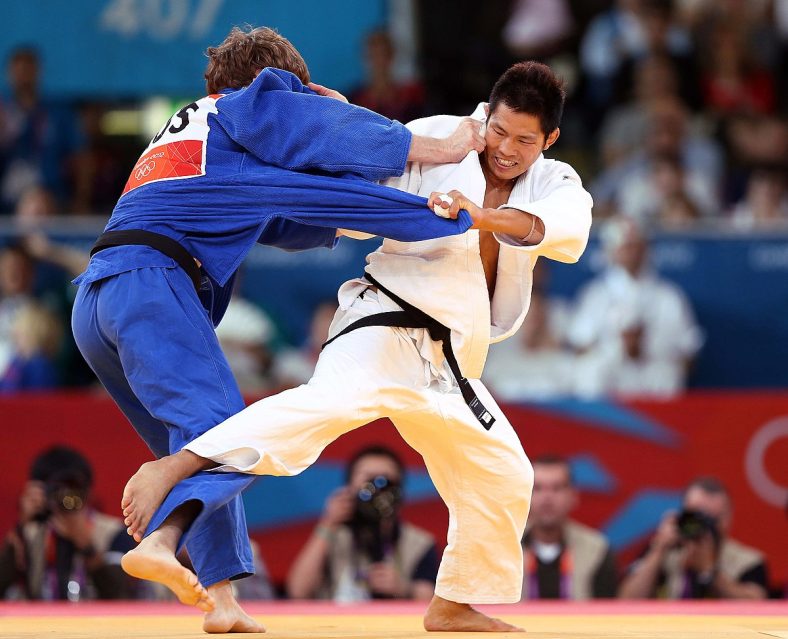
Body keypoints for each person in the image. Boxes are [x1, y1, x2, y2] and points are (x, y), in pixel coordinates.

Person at [120, 60, 593, 632]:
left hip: (449, 363)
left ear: (549, 139)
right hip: (384, 323)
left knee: (503, 471)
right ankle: (178, 464)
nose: (506, 149)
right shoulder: (441, 138)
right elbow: (365, 189)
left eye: (524, 141)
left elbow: (560, 230)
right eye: (499, 131)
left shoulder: (555, 182)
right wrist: (343, 121)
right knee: (324, 406)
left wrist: (481, 217)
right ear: (486, 115)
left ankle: (455, 603)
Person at [70, 25, 483, 634]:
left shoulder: (196, 135)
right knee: (227, 434)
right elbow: (325, 137)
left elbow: (290, 215)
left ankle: (221, 598)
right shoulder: (250, 103)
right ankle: (160, 542)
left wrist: (359, 217)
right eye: (298, 97)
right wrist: (445, 165)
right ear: (276, 85)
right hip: (150, 285)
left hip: (97, 300)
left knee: (196, 447)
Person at [568, 216, 703, 398]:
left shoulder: (669, 296)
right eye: (625, 246)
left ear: (646, 248)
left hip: (652, 371)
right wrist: (618, 348)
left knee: (668, 373)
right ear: (612, 251)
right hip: (611, 372)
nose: (632, 252)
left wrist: (645, 349)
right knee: (590, 370)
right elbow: (579, 345)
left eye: (636, 246)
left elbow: (689, 351)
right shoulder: (595, 295)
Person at [287, 445, 438, 601]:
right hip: (338, 616)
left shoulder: (419, 542)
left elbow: (430, 598)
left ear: (400, 489)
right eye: (369, 478)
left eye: (386, 480)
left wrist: (403, 588)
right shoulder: (332, 534)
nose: (377, 488)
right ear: (349, 486)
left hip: (393, 617)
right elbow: (298, 591)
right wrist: (327, 523)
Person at [0, 447, 138, 600]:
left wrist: (87, 547)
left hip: (95, 616)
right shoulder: (30, 533)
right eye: (57, 488)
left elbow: (122, 596)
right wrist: (20, 528)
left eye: (73, 487)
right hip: (41, 615)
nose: (66, 496)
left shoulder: (114, 532)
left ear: (88, 490)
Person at [618, 477, 770, 599]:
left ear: (728, 518)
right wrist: (658, 549)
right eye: (696, 516)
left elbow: (756, 606)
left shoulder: (748, 561)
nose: (704, 526)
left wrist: (709, 572)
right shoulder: (664, 550)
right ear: (683, 514)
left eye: (712, 519)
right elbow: (627, 600)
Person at [521, 455, 617, 600]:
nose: (547, 498)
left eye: (557, 488)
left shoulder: (597, 549)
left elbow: (610, 608)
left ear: (573, 496)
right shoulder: (504, 548)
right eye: (537, 488)